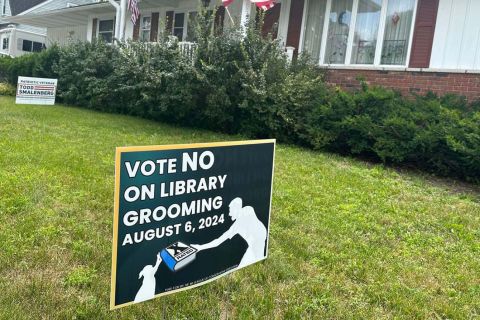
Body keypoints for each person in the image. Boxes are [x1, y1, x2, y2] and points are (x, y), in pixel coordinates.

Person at [192, 197, 267, 268]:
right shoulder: (236, 226)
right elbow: (218, 241)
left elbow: (247, 211)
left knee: (258, 261)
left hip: (258, 240)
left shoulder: (247, 210)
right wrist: (200, 247)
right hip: (254, 244)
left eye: (230, 210)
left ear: (236, 208)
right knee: (245, 264)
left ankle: (262, 267)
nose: (229, 213)